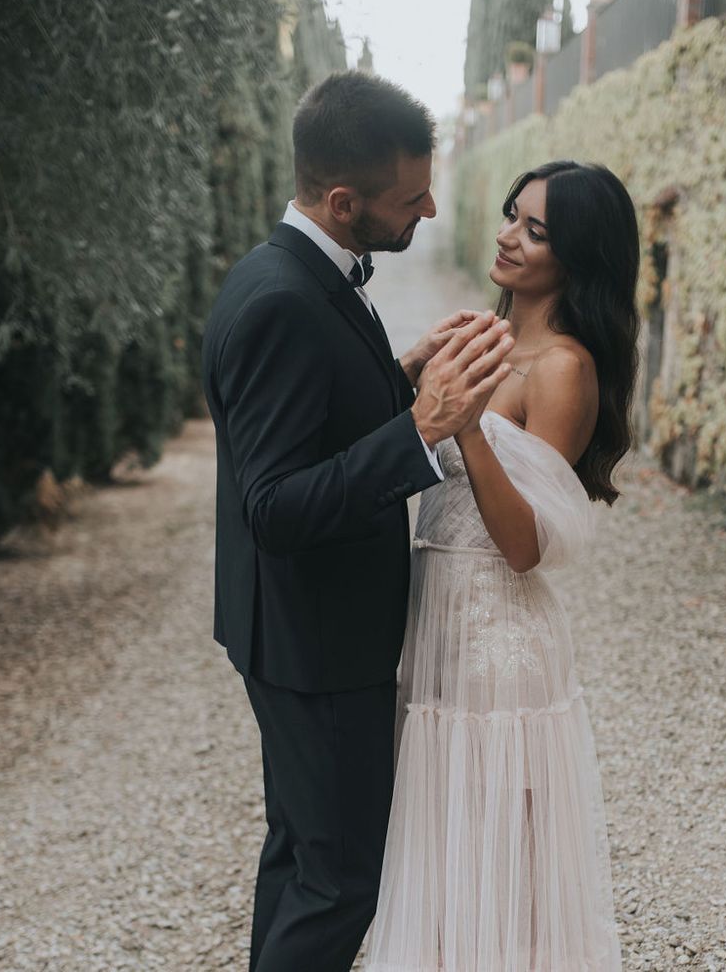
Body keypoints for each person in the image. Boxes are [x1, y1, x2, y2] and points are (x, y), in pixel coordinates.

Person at [201, 70, 515, 972]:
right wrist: (419, 427)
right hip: (317, 643)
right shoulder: (280, 304)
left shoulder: (302, 272)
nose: (425, 211)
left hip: (305, 631)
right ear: (344, 202)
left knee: (302, 858)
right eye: (411, 199)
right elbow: (276, 507)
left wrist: (403, 369)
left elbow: (319, 413)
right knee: (340, 881)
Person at [363, 161, 640, 971]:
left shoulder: (564, 368)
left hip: (499, 636)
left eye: (536, 230)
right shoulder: (482, 337)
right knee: (438, 841)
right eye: (513, 216)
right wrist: (414, 381)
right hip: (436, 614)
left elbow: (525, 544)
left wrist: (471, 426)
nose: (509, 236)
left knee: (498, 859)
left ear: (577, 256)